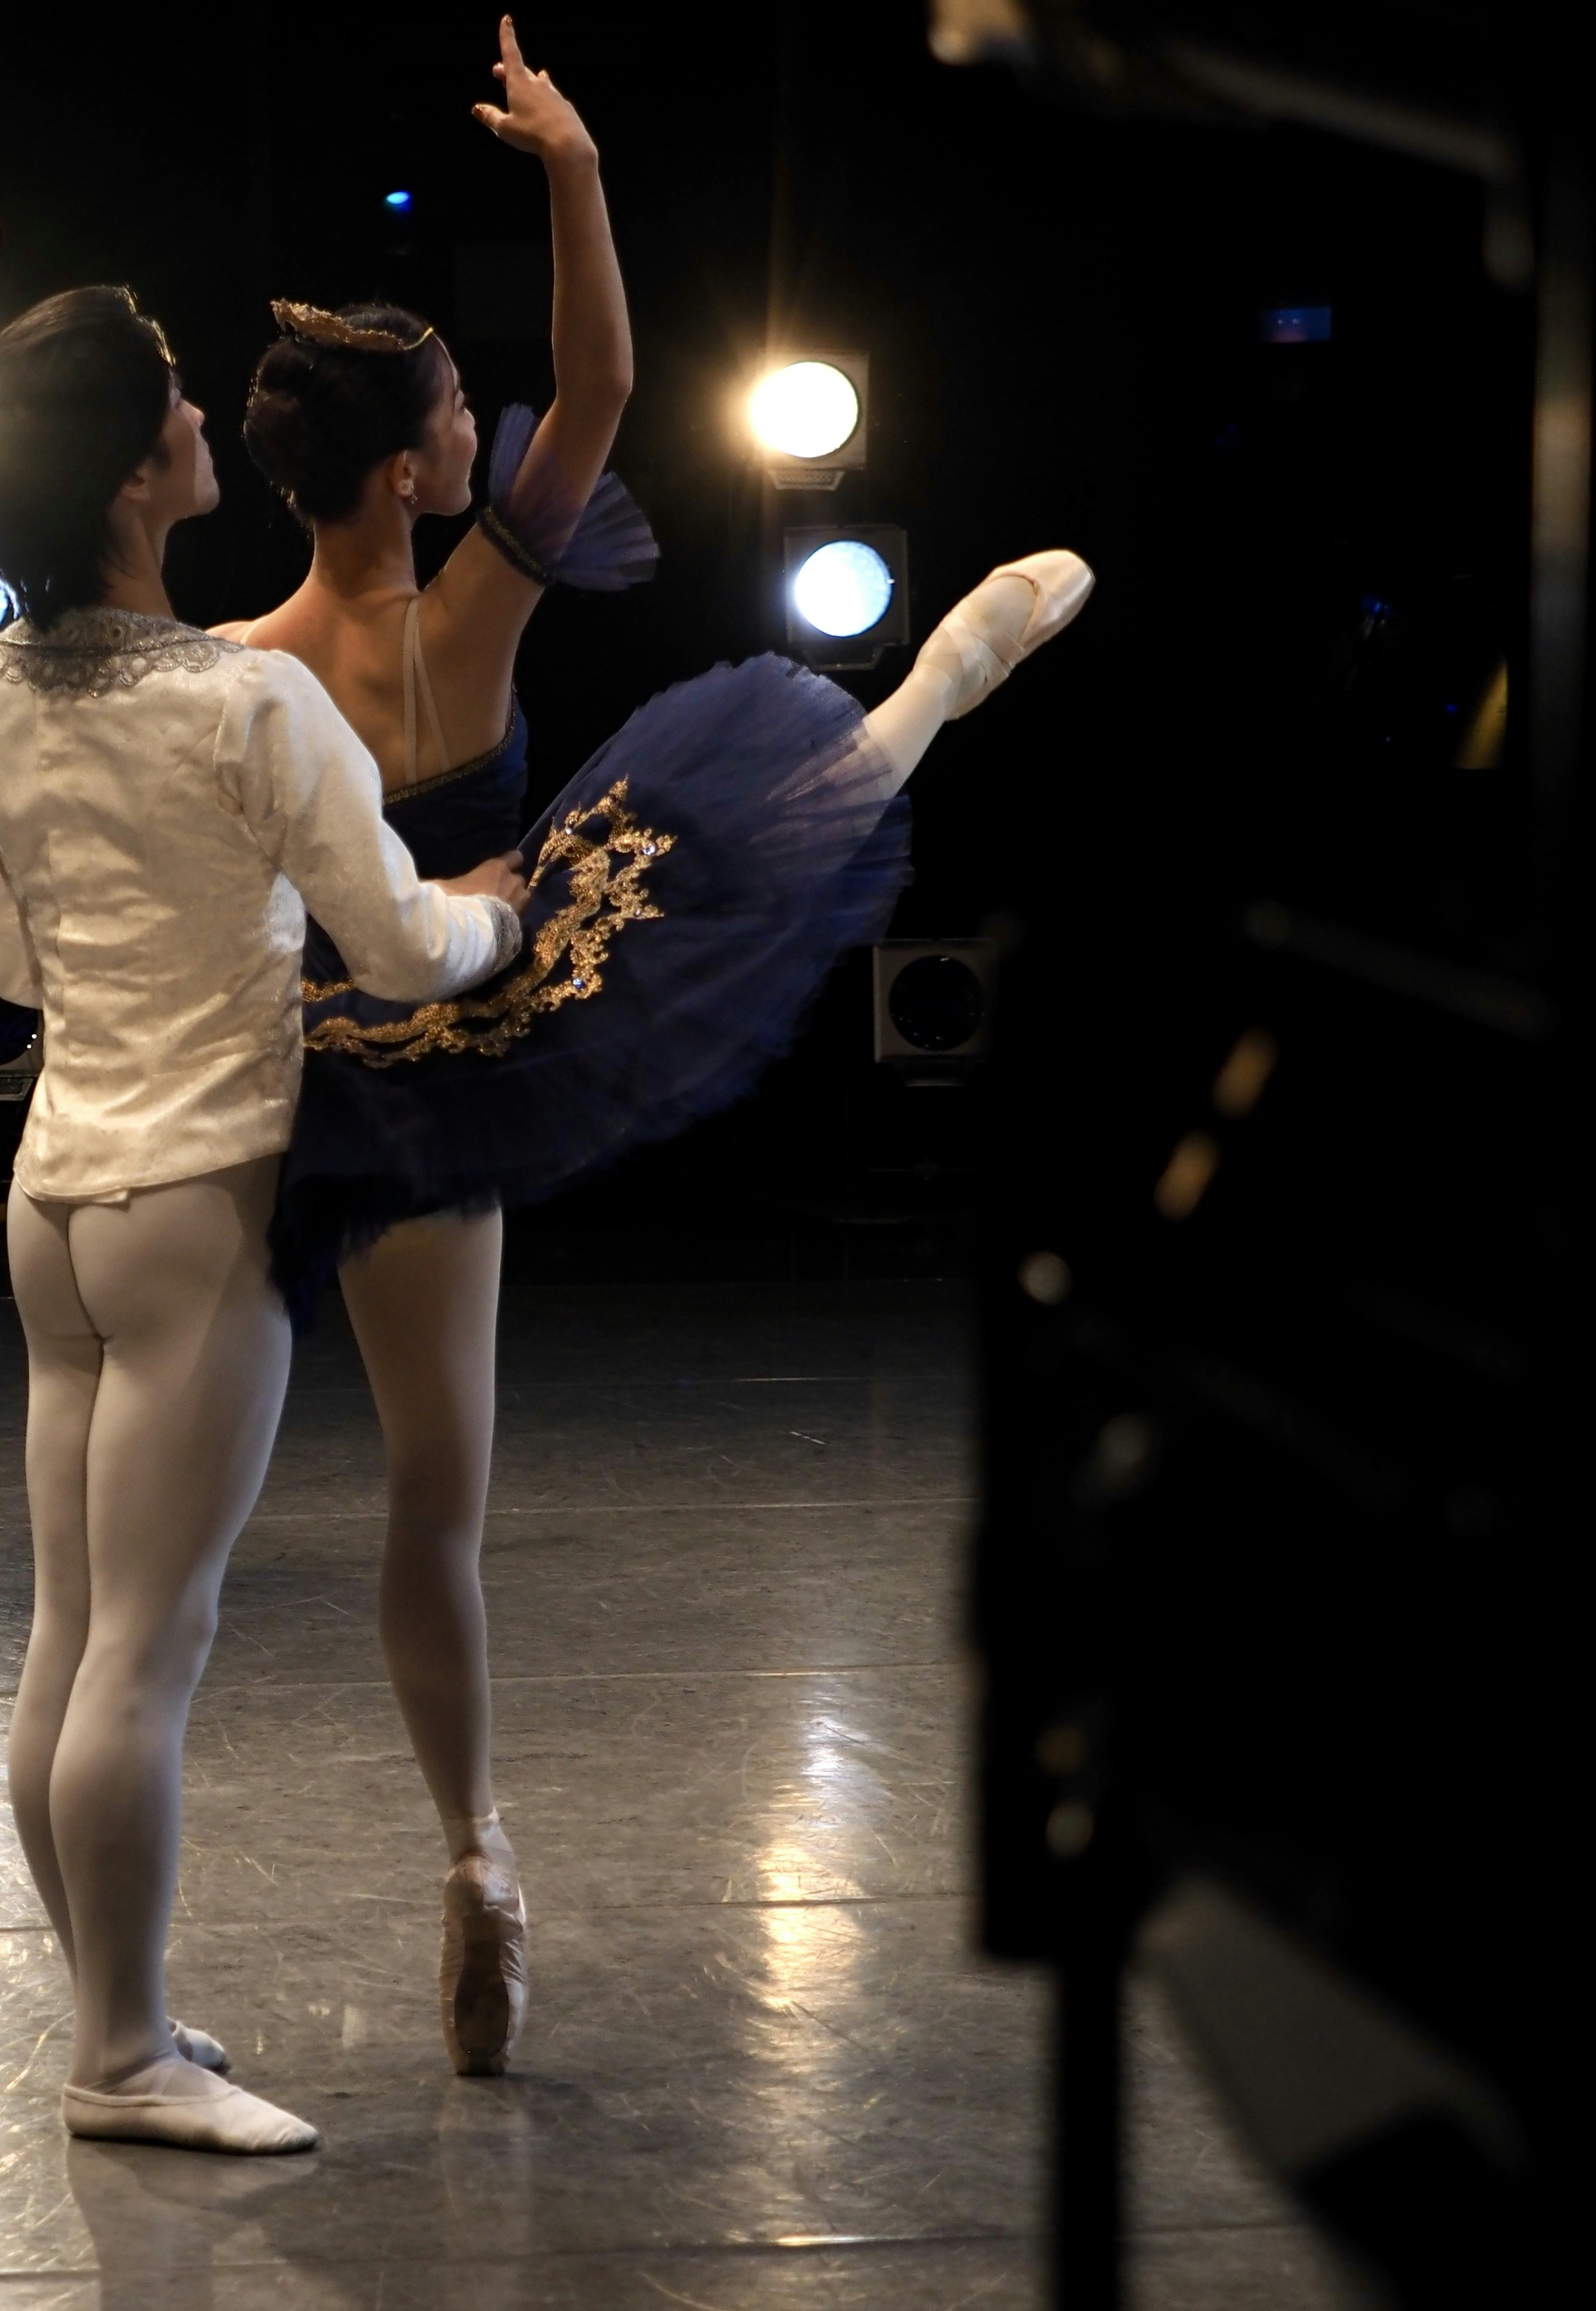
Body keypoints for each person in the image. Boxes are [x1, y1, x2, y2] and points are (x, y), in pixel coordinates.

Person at [222, 17, 1091, 2077]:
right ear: (419, 465)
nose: (472, 430)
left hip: (335, 1061)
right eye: (449, 414)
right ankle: (917, 708)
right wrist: (574, 171)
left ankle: (451, 1852)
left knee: (352, 1509)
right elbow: (603, 387)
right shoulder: (465, 606)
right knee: (725, 819)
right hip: (494, 993)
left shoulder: (242, 668)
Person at [0, 287, 527, 2154]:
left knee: (68, 1639)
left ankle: (118, 2009)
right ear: (129, 476)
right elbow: (403, 947)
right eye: (174, 400)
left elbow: (10, 964)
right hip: (201, 1198)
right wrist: (515, 905)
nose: (203, 417)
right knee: (143, 1650)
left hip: (57, 1198)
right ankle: (118, 2056)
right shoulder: (245, 698)